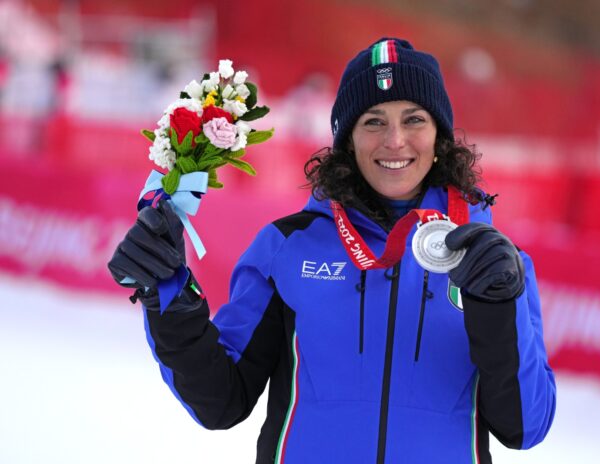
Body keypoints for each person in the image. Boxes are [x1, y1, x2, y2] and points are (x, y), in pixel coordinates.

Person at [108, 37, 556, 464]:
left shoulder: (494, 262)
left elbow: (525, 426)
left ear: (439, 136)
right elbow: (220, 401)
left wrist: (499, 304)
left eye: (414, 119)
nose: (394, 140)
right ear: (347, 140)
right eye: (373, 121)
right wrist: (168, 297)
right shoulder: (287, 247)